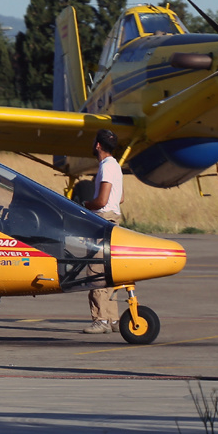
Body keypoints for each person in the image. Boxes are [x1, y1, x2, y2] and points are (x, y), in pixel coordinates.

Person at [82, 129, 124, 334]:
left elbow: (102, 201)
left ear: (98, 145)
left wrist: (84, 204)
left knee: (96, 270)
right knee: (110, 271)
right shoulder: (116, 166)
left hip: (102, 219)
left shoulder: (106, 167)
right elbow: (120, 198)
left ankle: (101, 319)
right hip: (114, 219)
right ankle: (113, 318)